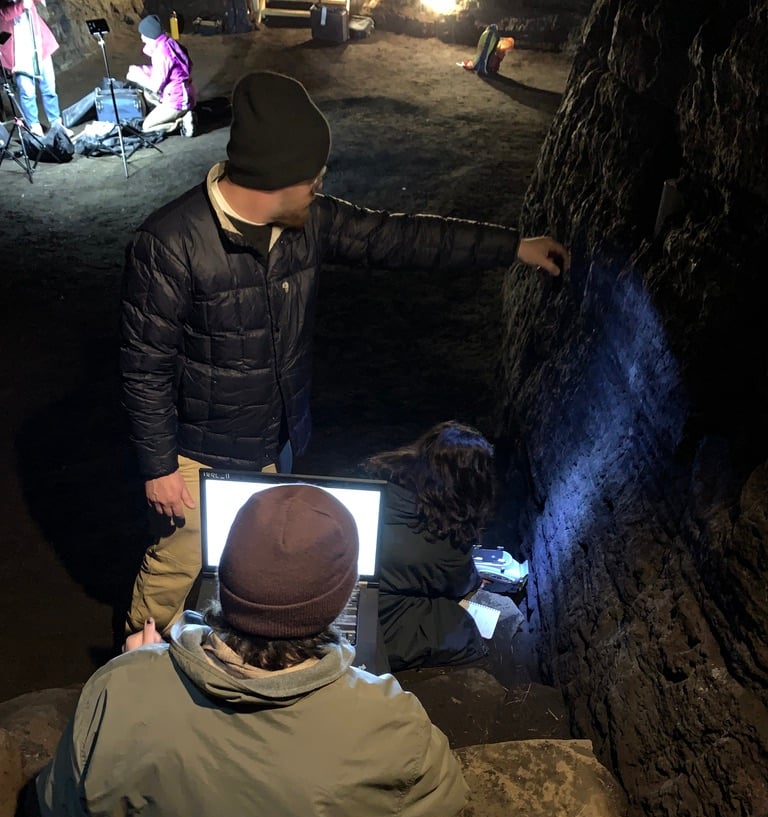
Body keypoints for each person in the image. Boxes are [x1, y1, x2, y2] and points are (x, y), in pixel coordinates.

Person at [120, 69, 570, 636]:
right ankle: (131, 675)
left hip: (278, 440)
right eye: (312, 175)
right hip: (198, 455)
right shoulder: (169, 245)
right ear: (276, 177)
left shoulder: (308, 223)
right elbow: (144, 367)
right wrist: (159, 466)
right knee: (175, 569)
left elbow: (400, 238)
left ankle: (227, 663)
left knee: (251, 562)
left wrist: (514, 247)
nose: (320, 184)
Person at [36, 484, 468, 817]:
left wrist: (137, 670)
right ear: (342, 602)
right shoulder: (392, 724)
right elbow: (440, 804)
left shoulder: (115, 690)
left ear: (223, 582)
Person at [363, 421, 524, 671]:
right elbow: (459, 585)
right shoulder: (443, 544)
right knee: (456, 627)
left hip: (342, 578)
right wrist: (473, 577)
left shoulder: (381, 476)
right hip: (374, 614)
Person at [0, 0, 67, 137]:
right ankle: (34, 127)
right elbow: (3, 14)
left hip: (40, 46)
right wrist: (21, 5)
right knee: (27, 93)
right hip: (19, 52)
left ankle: (57, 124)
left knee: (49, 89)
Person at [126, 14, 196, 137]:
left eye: (143, 35)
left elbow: (155, 86)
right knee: (146, 94)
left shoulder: (161, 53)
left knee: (147, 127)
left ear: (150, 35)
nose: (142, 38)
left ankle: (180, 122)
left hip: (178, 100)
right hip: (185, 92)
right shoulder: (169, 43)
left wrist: (137, 77)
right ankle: (180, 113)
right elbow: (168, 70)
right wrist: (142, 70)